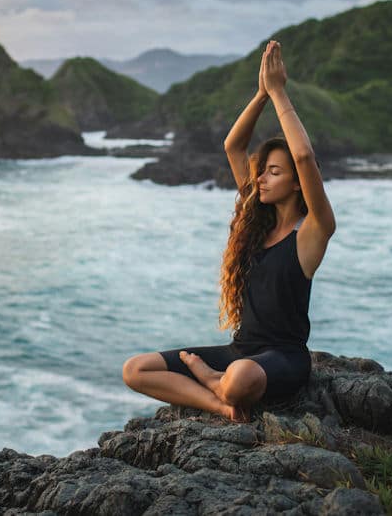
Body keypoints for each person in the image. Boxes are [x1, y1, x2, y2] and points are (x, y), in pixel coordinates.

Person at [122, 39, 337, 423]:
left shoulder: (313, 232)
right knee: (135, 370)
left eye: (275, 172)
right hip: (240, 351)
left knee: (240, 378)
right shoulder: (258, 221)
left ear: (296, 184)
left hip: (282, 359)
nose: (263, 179)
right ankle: (219, 402)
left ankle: (215, 381)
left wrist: (279, 93)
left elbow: (303, 156)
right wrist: (259, 95)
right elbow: (233, 145)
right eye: (263, 171)